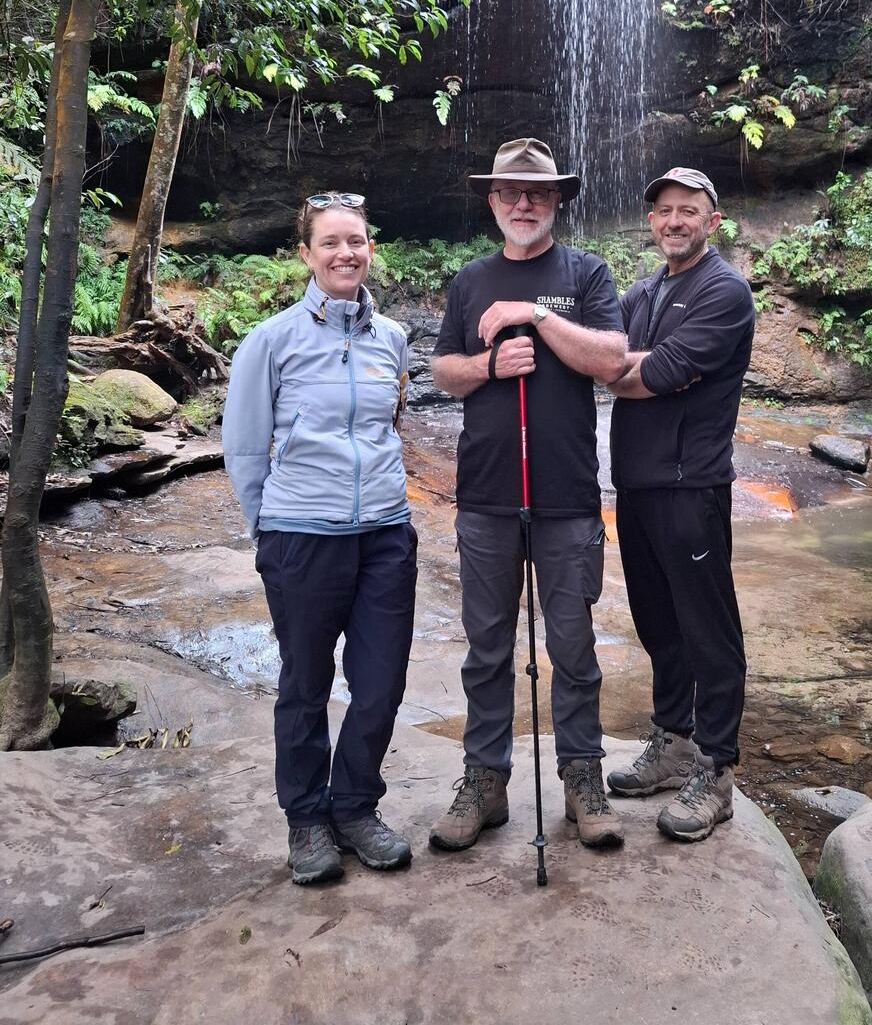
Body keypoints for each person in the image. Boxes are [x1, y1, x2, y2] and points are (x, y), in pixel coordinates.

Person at [428, 138, 628, 852]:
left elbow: (610, 360)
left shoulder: (587, 273)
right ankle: (485, 781)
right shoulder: (468, 281)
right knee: (486, 648)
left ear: (556, 202)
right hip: (486, 495)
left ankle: (582, 778)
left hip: (568, 497)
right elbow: (443, 371)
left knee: (573, 646)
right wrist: (489, 363)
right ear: (491, 202)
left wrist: (536, 317)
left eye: (536, 194)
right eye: (510, 193)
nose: (522, 204)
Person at [222, 191, 417, 886]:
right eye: (330, 242)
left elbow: (389, 427)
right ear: (305, 254)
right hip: (302, 537)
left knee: (381, 682)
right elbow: (245, 450)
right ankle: (307, 819)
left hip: (387, 535)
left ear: (371, 249)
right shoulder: (270, 342)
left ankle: (356, 807)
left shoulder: (391, 338)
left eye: (357, 241)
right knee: (306, 683)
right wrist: (268, 529)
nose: (346, 253)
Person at [607, 167, 755, 842]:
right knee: (659, 623)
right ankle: (672, 743)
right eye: (664, 211)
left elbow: (653, 375)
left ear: (712, 221)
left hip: (691, 486)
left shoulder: (725, 292)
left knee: (709, 629)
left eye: (688, 211)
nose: (675, 221)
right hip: (636, 487)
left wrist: (619, 369)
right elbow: (623, 367)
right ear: (651, 222)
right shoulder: (641, 293)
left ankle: (717, 770)